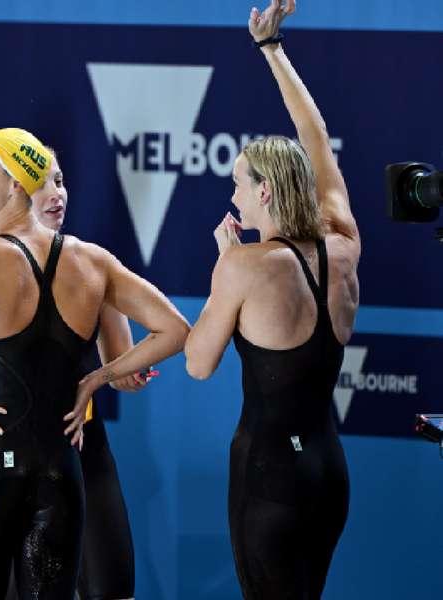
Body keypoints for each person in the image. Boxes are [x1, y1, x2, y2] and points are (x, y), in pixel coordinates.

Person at [0, 127, 189, 598]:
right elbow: (175, 330)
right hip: (60, 473)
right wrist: (97, 380)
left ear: (15, 184)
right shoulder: (93, 262)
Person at [184, 2, 359, 597]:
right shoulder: (344, 245)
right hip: (327, 471)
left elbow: (198, 362)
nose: (233, 196)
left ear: (262, 189)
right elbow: (318, 142)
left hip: (269, 476)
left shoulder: (244, 265)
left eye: (237, 183)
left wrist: (221, 271)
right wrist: (273, 49)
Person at [0, 150, 144, 600]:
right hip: (1, 460)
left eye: (62, 181)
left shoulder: (89, 265)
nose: (57, 195)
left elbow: (123, 364)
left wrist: (112, 375)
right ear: (15, 189)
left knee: (113, 589)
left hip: (78, 451)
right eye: (44, 183)